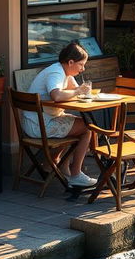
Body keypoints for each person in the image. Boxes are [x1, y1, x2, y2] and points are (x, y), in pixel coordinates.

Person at [23, 42, 97, 188]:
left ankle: (54, 163)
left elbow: (76, 90)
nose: (83, 69)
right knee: (87, 128)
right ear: (71, 62)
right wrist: (78, 92)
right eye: (81, 65)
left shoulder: (65, 72)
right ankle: (75, 174)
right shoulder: (56, 72)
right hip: (40, 125)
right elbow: (56, 95)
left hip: (39, 121)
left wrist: (80, 90)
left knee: (77, 124)